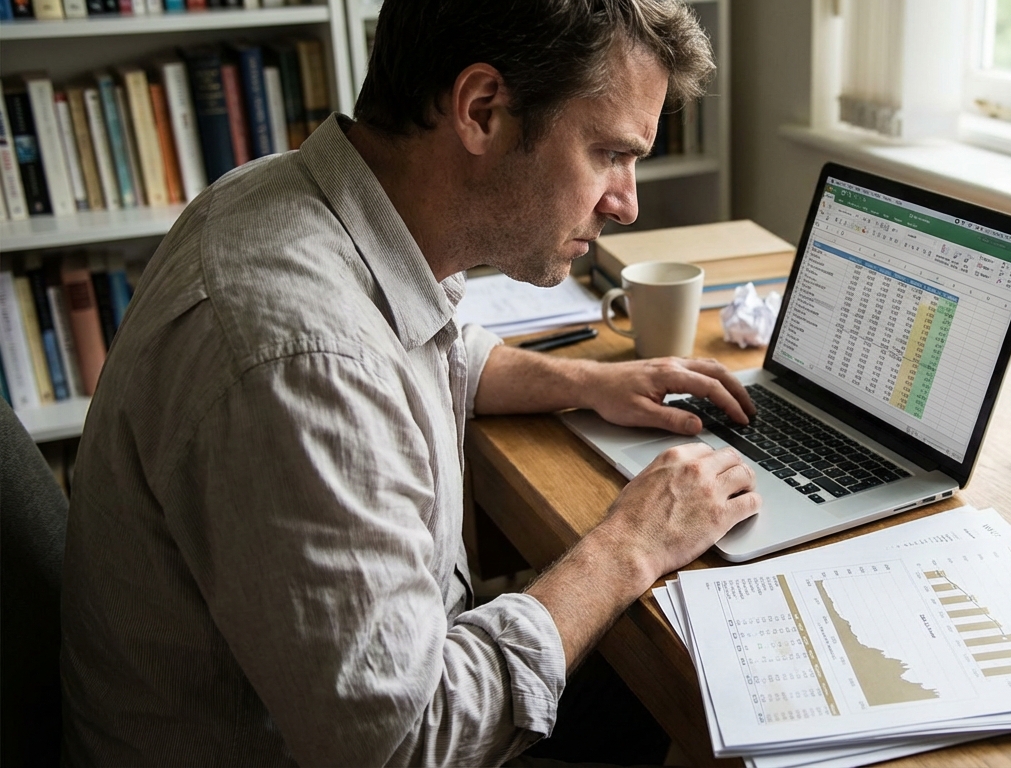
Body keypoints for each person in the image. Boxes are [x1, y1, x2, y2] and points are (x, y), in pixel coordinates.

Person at [59, 0, 760, 764]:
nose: (626, 201)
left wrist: (590, 382)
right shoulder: (304, 364)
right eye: (608, 153)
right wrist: (628, 544)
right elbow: (405, 743)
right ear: (482, 111)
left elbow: (434, 341)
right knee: (684, 673)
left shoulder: (301, 200)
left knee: (658, 664)